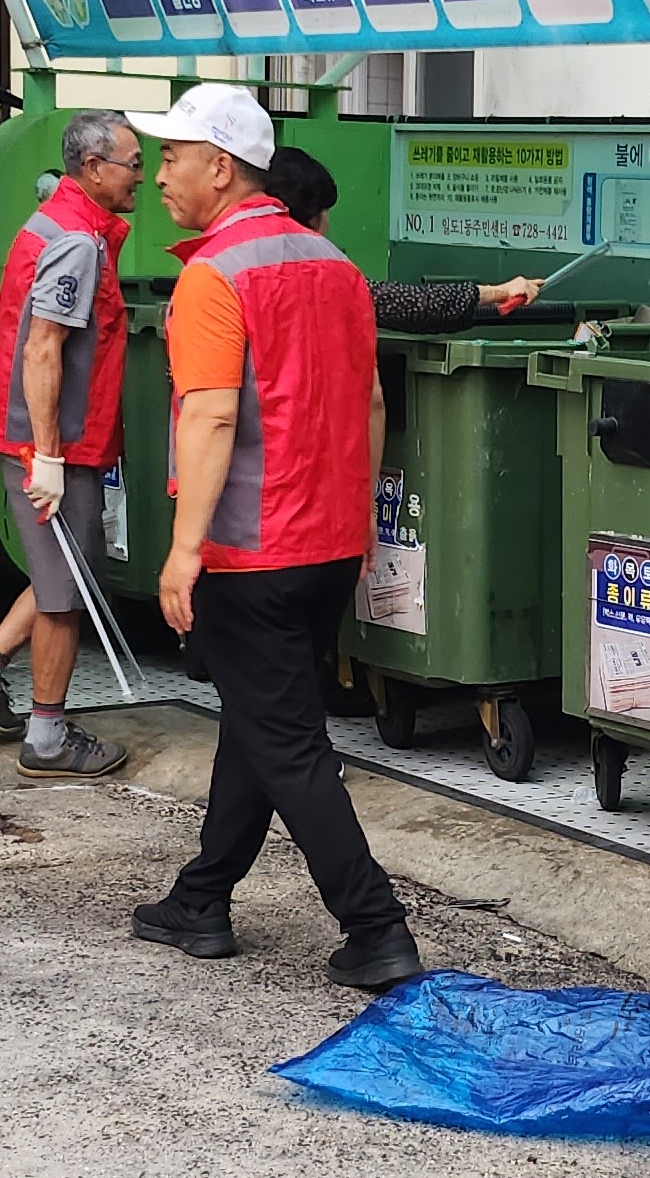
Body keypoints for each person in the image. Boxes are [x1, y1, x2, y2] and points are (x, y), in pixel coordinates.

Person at [118, 84, 426, 993]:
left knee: (287, 741)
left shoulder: (216, 275)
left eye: (171, 157)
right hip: (327, 544)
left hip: (250, 552)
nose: (159, 175)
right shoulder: (336, 267)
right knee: (261, 723)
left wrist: (183, 549)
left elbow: (209, 416)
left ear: (222, 166)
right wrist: (364, 526)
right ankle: (201, 899)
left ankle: (376, 927)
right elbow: (371, 402)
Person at [0, 109, 141, 778]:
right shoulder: (76, 244)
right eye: (133, 164)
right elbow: (43, 352)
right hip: (53, 446)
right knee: (65, 596)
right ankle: (48, 738)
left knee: (66, 571)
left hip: (40, 438)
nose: (142, 177)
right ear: (94, 168)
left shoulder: (56, 226)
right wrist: (51, 457)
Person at [262, 146, 547, 331]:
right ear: (312, 216)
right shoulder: (320, 274)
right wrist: (500, 291)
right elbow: (411, 304)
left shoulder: (233, 260)